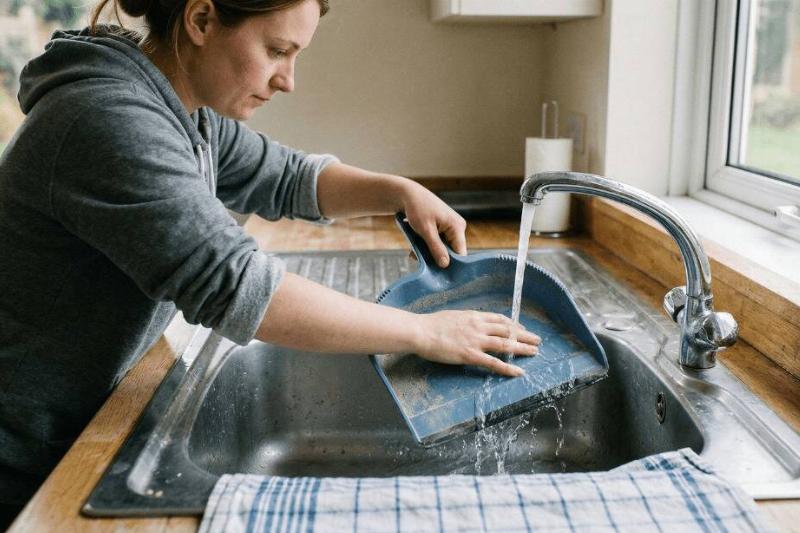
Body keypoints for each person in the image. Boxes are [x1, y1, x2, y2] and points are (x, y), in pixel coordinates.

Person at [0, 0, 541, 526]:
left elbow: (283, 176)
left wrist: (397, 191)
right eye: (277, 50)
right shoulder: (107, 119)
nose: (288, 79)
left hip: (81, 422)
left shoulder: (181, 111)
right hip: (24, 460)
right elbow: (238, 288)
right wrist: (424, 332)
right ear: (202, 19)